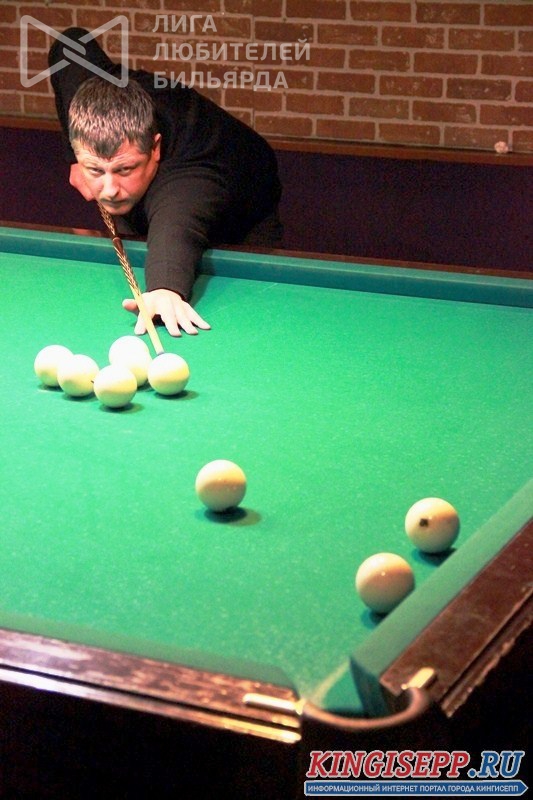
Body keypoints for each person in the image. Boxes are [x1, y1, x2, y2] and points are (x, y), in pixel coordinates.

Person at [48, 28, 283, 337]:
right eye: (96, 170)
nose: (109, 189)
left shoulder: (187, 182)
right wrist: (74, 157)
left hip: (244, 213)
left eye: (124, 169)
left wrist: (164, 288)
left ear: (155, 148)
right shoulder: (90, 90)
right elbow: (70, 44)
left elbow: (177, 228)